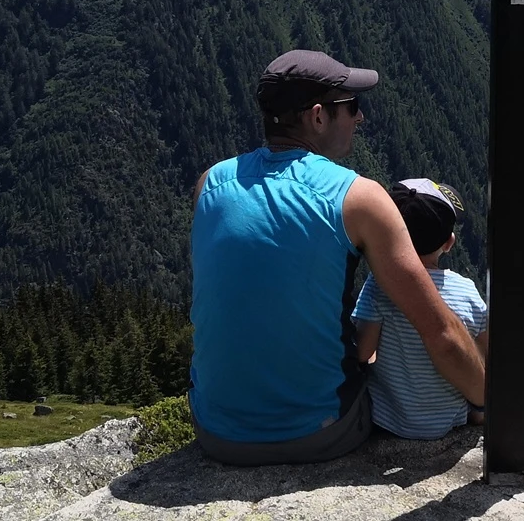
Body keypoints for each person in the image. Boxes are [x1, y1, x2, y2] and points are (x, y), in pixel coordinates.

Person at [188, 49, 486, 465]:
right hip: (321, 432)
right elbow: (443, 337)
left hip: (216, 432)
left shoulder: (210, 185)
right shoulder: (358, 198)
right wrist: (488, 400)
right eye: (352, 107)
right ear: (317, 117)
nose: (360, 118)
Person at [352, 178, 489, 438]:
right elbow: (484, 351)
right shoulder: (467, 289)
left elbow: (362, 351)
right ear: (449, 243)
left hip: (386, 419)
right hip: (450, 421)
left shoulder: (379, 285)